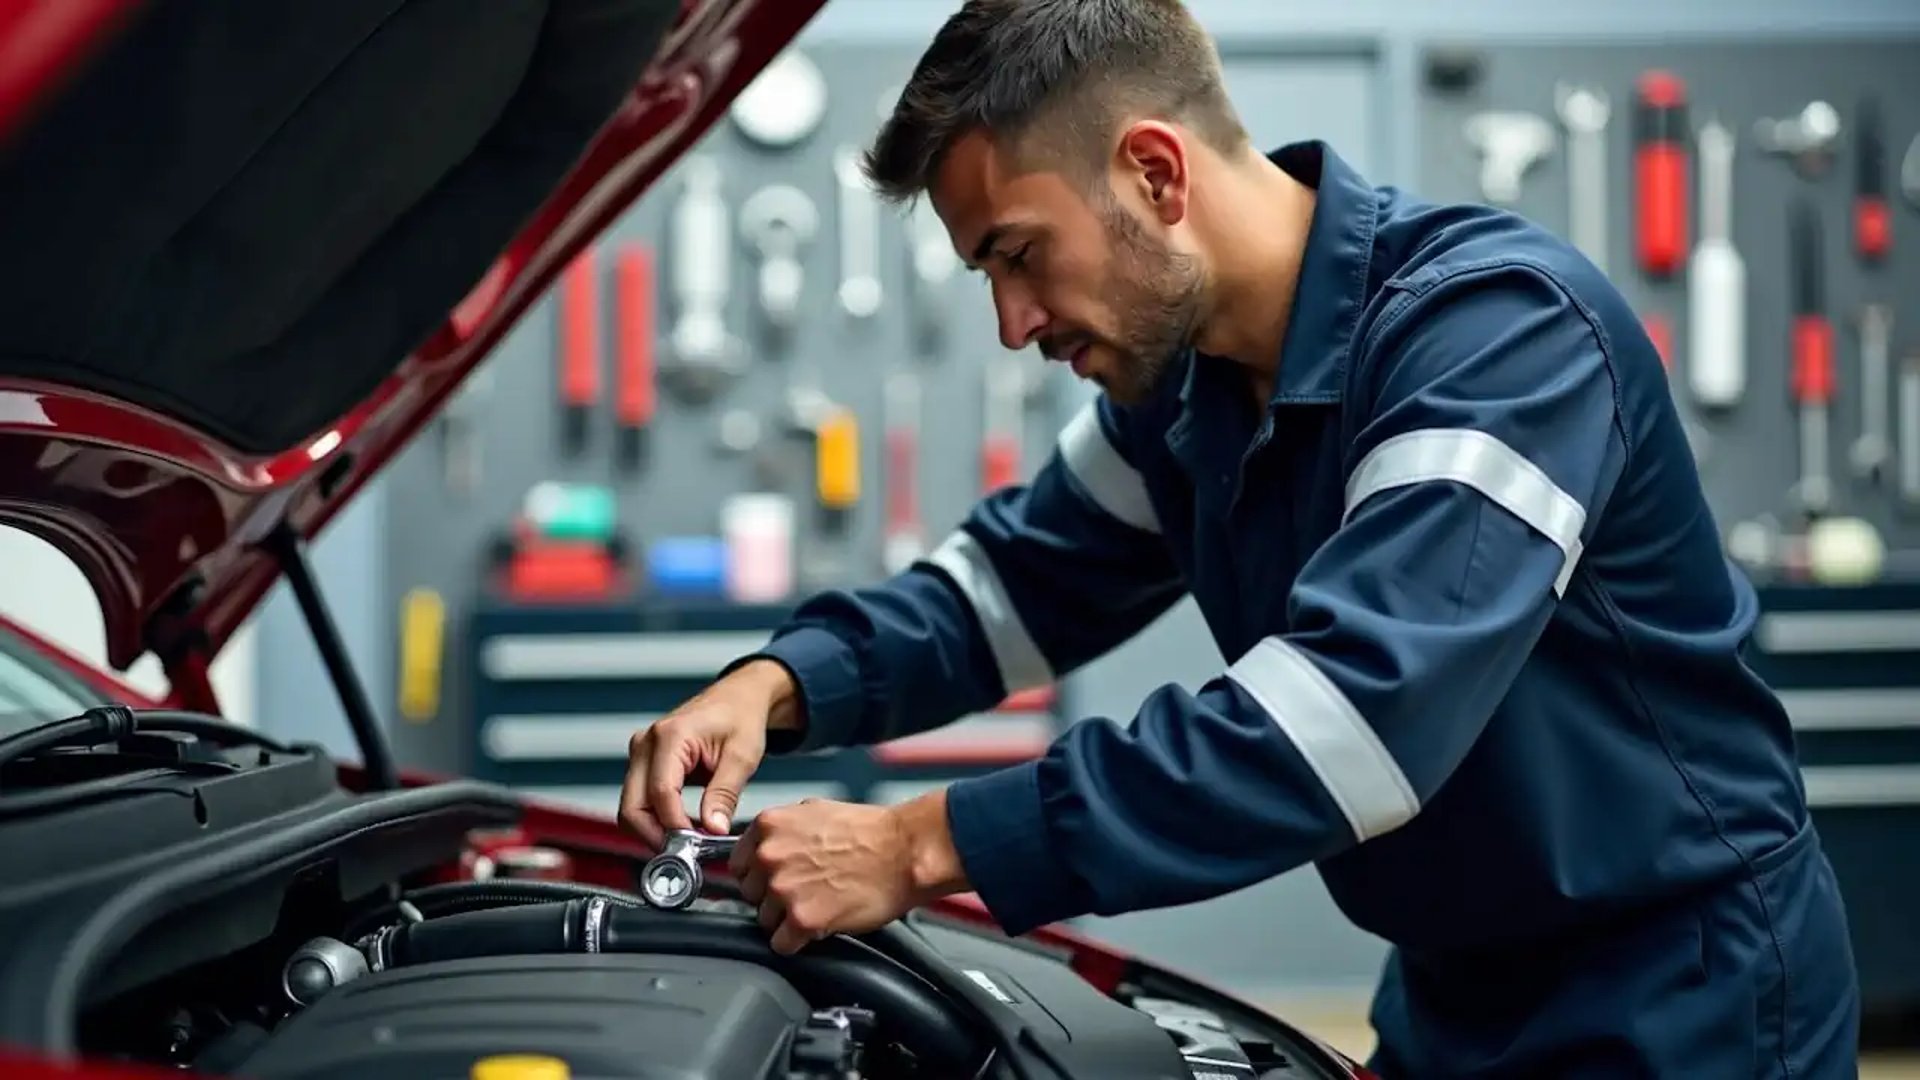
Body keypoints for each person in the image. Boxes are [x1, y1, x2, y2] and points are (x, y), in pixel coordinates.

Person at [619, 1, 1860, 1074]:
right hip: (1455, 990)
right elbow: (1002, 590)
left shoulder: (1493, 341)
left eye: (1019, 255)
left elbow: (1350, 723)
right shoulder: (1184, 393)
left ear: (1156, 174)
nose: (1010, 324)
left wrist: (917, 842)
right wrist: (776, 685)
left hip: (1681, 997)